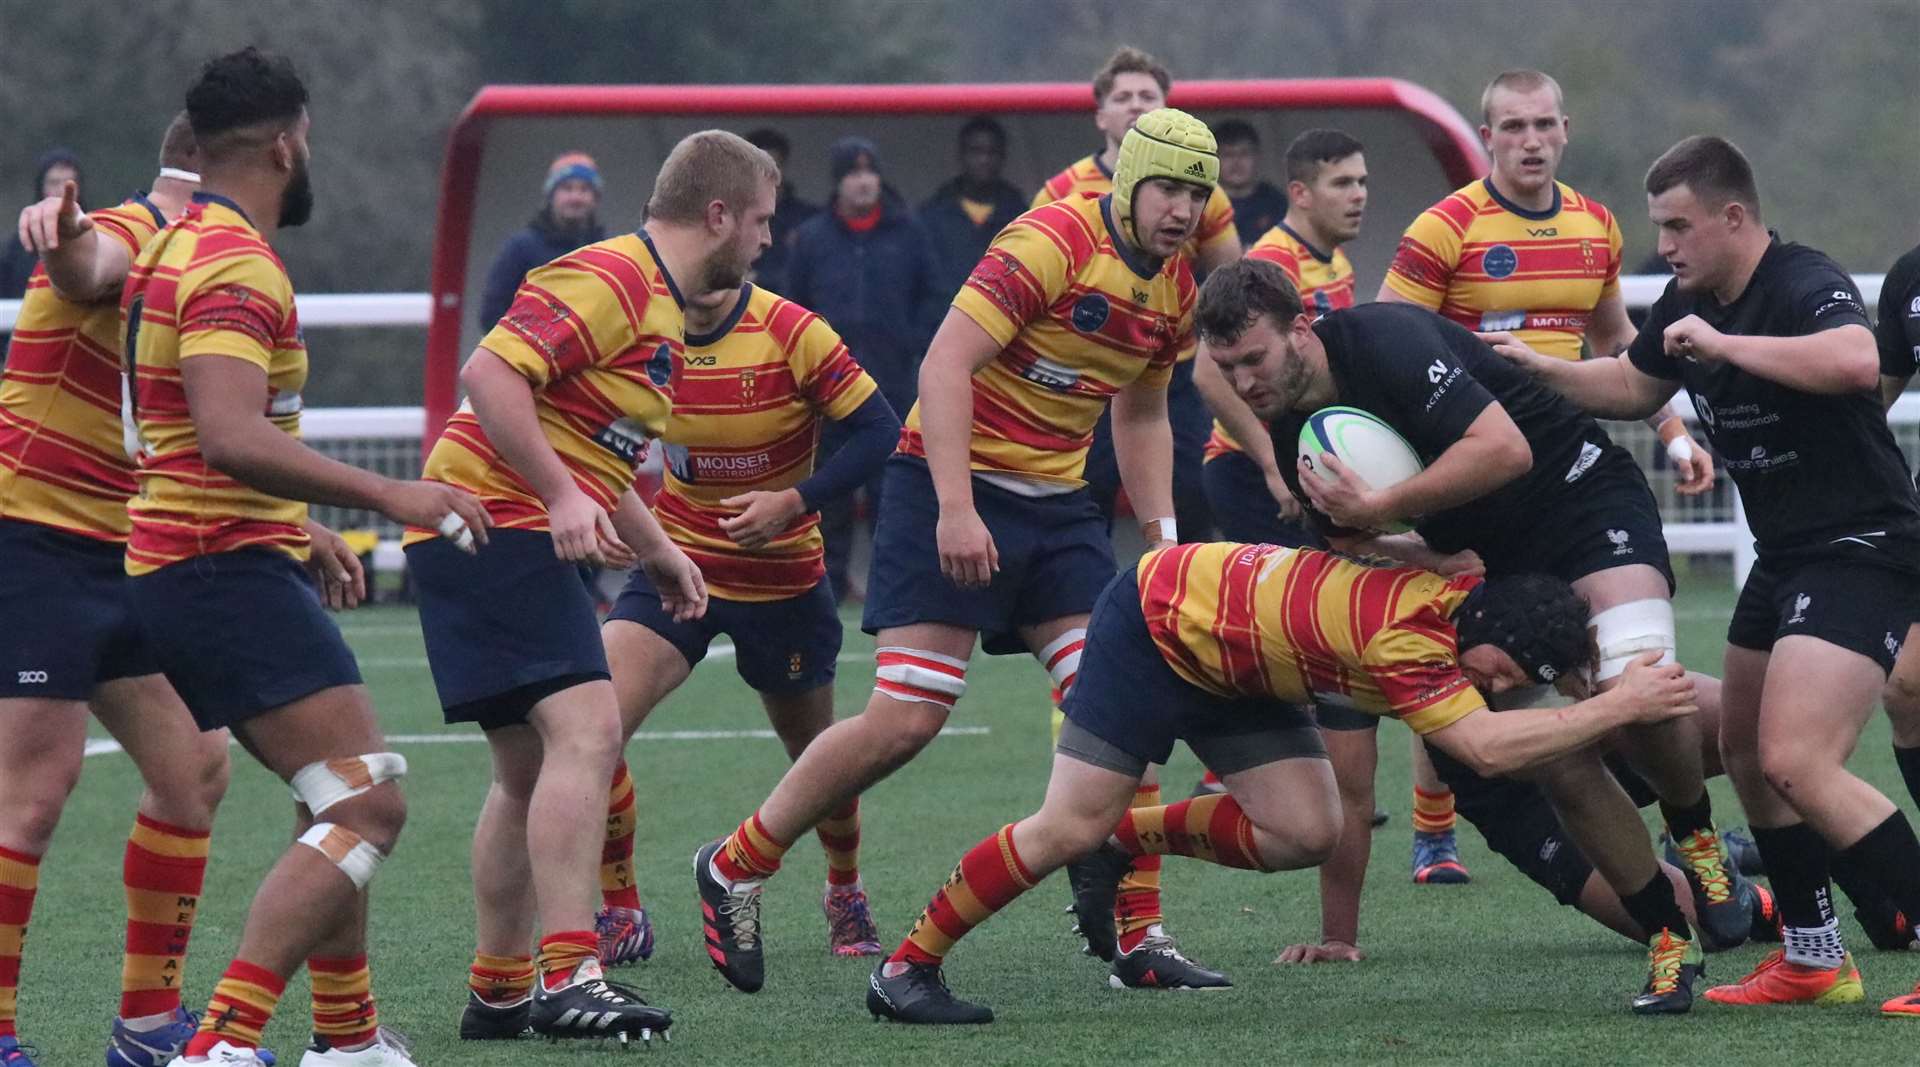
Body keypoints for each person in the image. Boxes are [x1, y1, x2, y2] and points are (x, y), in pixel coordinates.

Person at [694, 110, 1220, 995]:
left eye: (1197, 194)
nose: (1181, 209)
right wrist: (954, 506)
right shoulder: (1051, 238)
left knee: (1129, 694)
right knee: (907, 716)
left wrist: (1163, 544)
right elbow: (943, 366)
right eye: (1168, 187)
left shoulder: (1174, 287)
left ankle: (1135, 931)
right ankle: (735, 864)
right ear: (1129, 182)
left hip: (1059, 512)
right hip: (948, 485)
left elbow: (1139, 412)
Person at [1202, 258, 1749, 1013]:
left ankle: (1698, 836)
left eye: (1254, 358)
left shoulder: (1385, 340)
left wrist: (1385, 501)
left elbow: (1506, 451)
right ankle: (1666, 937)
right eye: (1227, 368)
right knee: (1557, 756)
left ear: (1300, 329)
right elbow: (1365, 545)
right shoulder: (1293, 431)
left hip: (1584, 503)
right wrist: (1402, 547)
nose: (1246, 381)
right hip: (1505, 570)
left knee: (1634, 682)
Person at [864, 540, 1699, 1023]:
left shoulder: (1469, 594)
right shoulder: (1409, 639)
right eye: (1503, 669)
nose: (1499, 683)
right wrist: (1619, 703)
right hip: (1156, 625)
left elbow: (1502, 684)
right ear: (1481, 631)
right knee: (1066, 824)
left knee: (1306, 831)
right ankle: (905, 970)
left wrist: (1594, 687)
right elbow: (1481, 748)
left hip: (1244, 662)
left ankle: (1126, 840)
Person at [118, 49, 492, 1067]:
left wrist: (300, 525)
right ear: (285, 143)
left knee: (332, 790)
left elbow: (191, 430)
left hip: (206, 552)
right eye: (309, 137)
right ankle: (222, 1041)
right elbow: (229, 431)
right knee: (370, 798)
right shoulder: (238, 263)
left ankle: (347, 1034)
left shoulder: (177, 245)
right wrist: (391, 492)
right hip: (213, 567)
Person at [1495, 135, 1920, 1014]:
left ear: (1734, 218)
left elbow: (1851, 361)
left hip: (1863, 543)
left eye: (1680, 226)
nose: (1669, 247)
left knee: (1799, 758)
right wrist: (1537, 372)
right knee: (1742, 752)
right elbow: (1633, 386)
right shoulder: (1689, 298)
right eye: (1660, 229)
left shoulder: (1801, 280)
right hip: (1789, 552)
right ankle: (1812, 956)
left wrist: (1728, 346)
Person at [411, 129, 776, 1047]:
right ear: (719, 214)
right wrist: (559, 493)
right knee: (590, 728)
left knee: (525, 766)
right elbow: (488, 372)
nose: (770, 241)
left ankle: (499, 987)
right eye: (763, 221)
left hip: (486, 525)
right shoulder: (614, 277)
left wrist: (655, 548)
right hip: (493, 521)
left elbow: (595, 447)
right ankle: (573, 971)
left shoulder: (657, 303)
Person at [1378, 68, 1720, 890]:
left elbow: (1617, 342)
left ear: (1564, 129)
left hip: (1571, 478)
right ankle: (1437, 829)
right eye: (1512, 127)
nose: (1530, 140)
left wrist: (1673, 431)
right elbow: (1385, 348)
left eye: (1543, 125)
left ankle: (1685, 838)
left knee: (1620, 659)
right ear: (1486, 136)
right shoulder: (1444, 228)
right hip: (1472, 486)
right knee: (1467, 661)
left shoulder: (1595, 225)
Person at [0, 117, 234, 1067]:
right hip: (34, 538)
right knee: (32, 795)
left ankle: (145, 1028)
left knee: (195, 767)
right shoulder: (137, 227)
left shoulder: (219, 263)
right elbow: (87, 265)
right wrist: (58, 232)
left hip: (127, 549)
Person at [592, 278, 900, 965]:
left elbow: (882, 430)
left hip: (783, 580)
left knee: (817, 757)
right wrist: (601, 510)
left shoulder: (793, 331)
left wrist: (795, 499)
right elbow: (595, 435)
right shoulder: (637, 327)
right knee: (597, 722)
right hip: (676, 568)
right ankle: (619, 908)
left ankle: (845, 887)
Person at [1032, 46, 1239, 545]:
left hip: (1175, 371)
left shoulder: (1200, 186)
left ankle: (1188, 594)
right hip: (1089, 375)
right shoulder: (1062, 189)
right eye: (1123, 97)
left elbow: (1232, 280)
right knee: (1086, 491)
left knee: (1189, 489)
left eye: (1148, 95)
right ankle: (1093, 600)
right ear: (1101, 115)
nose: (1136, 105)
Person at [1194, 128, 1366, 550]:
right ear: (1300, 193)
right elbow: (1209, 373)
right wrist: (1273, 465)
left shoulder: (1338, 262)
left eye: (1362, 182)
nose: (1359, 195)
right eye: (1342, 183)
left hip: (1302, 458)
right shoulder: (1274, 260)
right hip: (1249, 468)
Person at [786, 137, 941, 601]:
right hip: (827, 389)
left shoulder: (909, 233)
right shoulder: (811, 238)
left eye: (870, 172)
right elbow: (792, 308)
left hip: (889, 385)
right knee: (830, 490)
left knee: (891, 491)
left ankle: (888, 584)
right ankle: (829, 583)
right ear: (839, 182)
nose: (863, 181)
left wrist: (911, 346)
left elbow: (934, 299)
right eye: (853, 174)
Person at [475, 152, 607, 332]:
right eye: (567, 189)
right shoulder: (521, 249)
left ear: (595, 199)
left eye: (584, 190)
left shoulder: (606, 251)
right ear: (552, 195)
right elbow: (492, 312)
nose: (576, 197)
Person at [920, 117, 1027, 299]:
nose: (984, 160)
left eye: (991, 152)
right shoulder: (931, 215)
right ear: (961, 156)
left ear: (1003, 157)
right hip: (945, 321)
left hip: (1002, 320)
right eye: (975, 152)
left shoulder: (1021, 215)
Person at [0, 149, 83, 301]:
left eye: (69, 183)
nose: (62, 190)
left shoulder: (97, 233)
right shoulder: (18, 247)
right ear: (42, 187)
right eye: (54, 182)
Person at [743, 128, 817, 295]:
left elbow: (814, 276)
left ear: (783, 167)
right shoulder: (729, 217)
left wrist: (760, 278)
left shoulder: (806, 220)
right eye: (759, 167)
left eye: (773, 166)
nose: (766, 174)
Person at [1213, 120, 1287, 249]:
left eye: (1244, 154)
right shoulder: (1205, 203)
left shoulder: (1275, 203)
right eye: (1228, 155)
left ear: (1257, 157)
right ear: (1215, 159)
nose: (1236, 163)